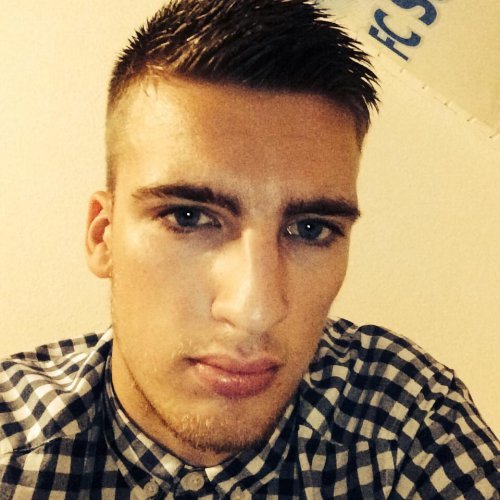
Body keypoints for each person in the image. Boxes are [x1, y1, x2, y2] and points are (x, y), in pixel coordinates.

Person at [0, 0, 498, 498]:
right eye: (188, 217)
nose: (255, 310)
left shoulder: (410, 425)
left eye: (310, 229)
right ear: (102, 235)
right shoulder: (13, 454)